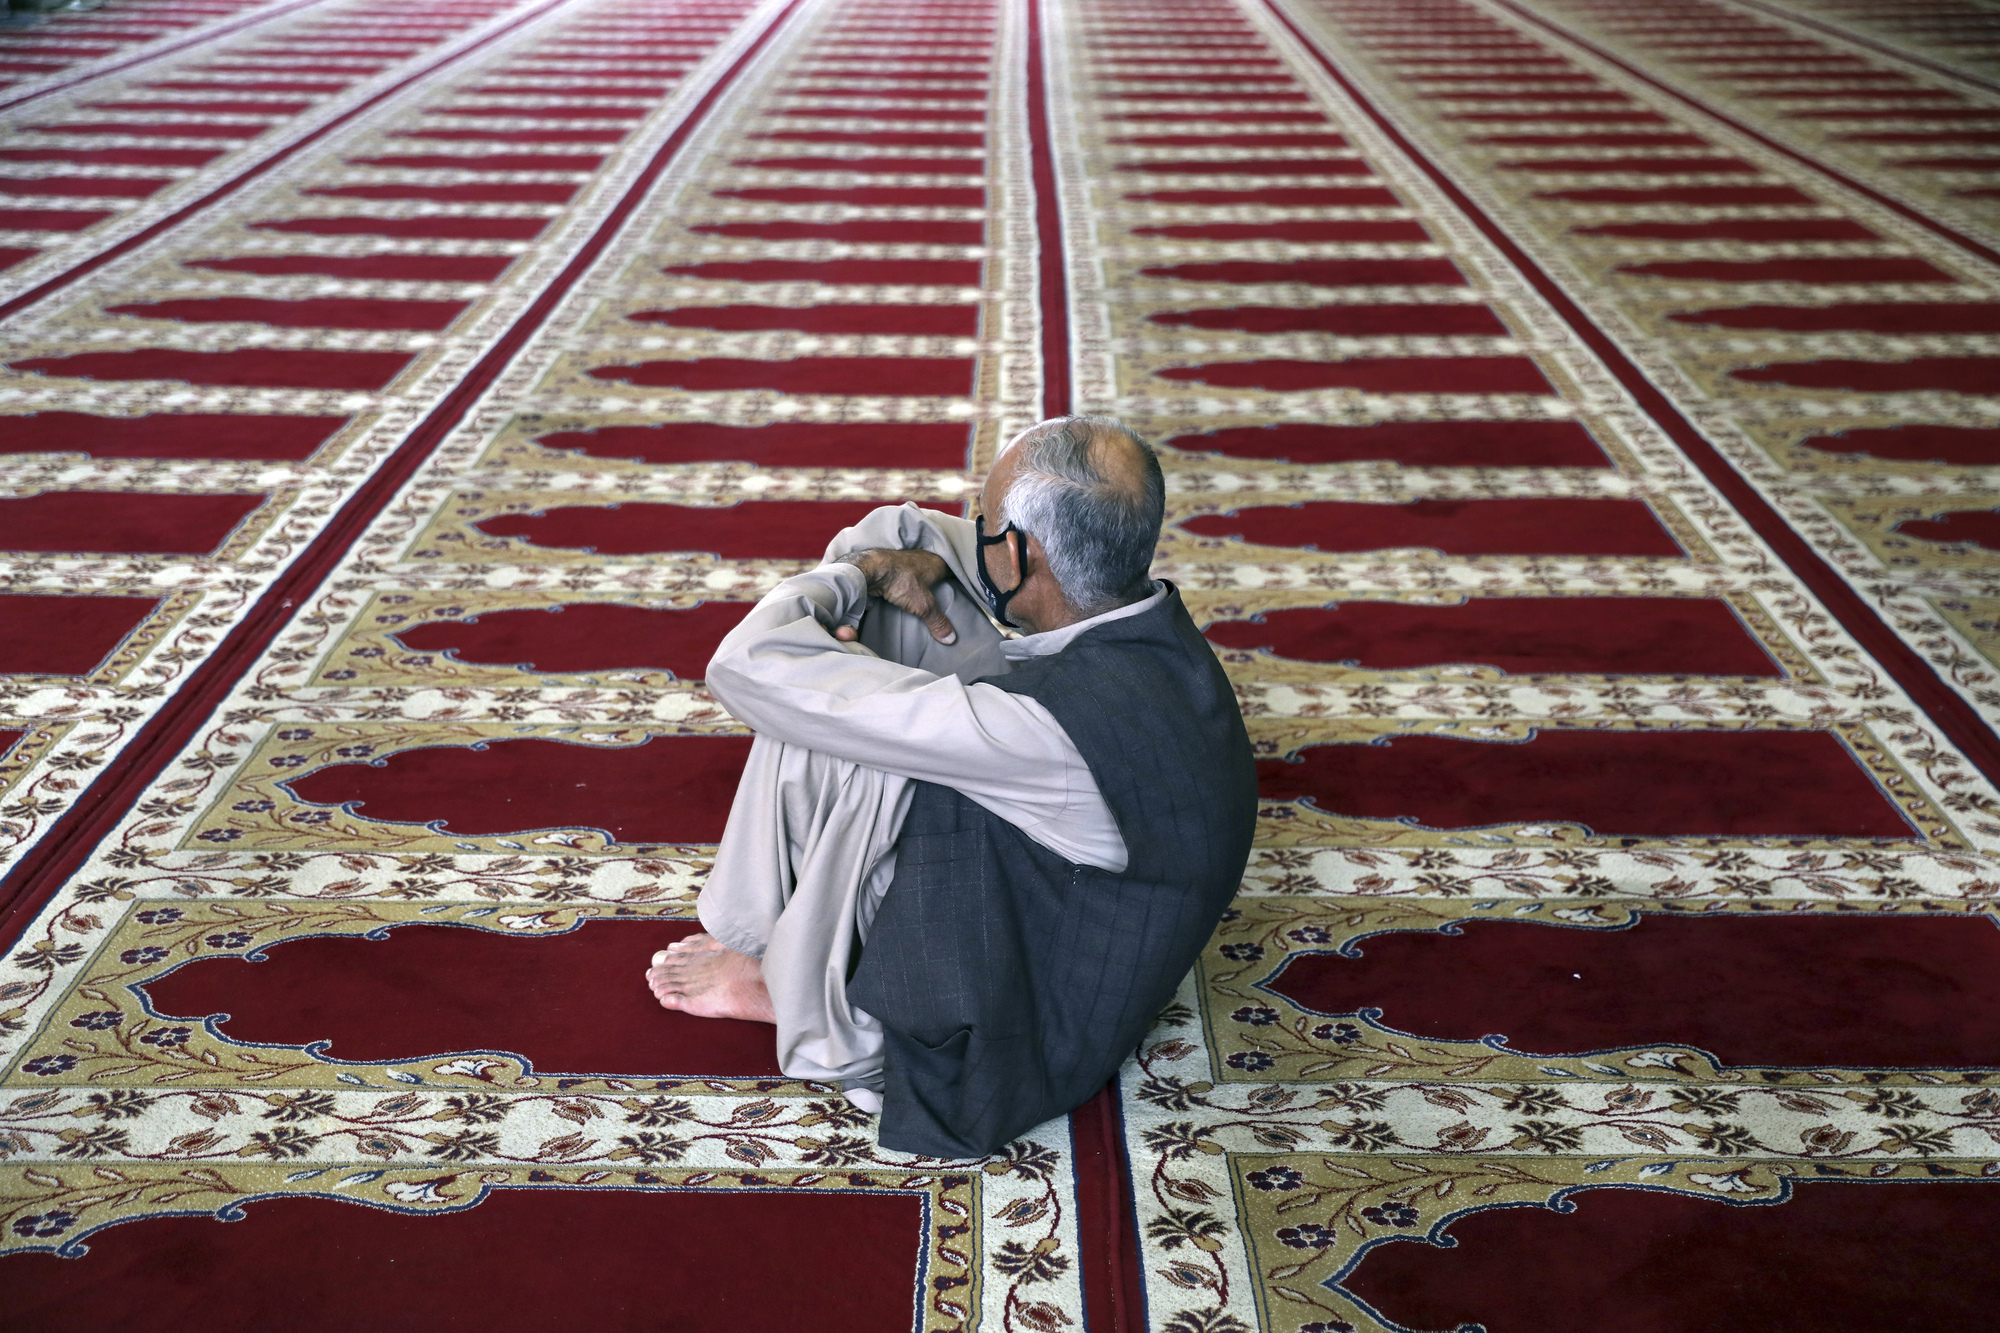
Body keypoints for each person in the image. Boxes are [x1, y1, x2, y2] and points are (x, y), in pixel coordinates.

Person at [643, 414, 1257, 1157]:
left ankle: (791, 982)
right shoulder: (1142, 620)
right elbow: (909, 534)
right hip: (1099, 922)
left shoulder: (1048, 732)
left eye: (986, 524)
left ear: (1022, 554)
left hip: (1016, 1038)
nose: (973, 532)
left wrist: (850, 580)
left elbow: (748, 664)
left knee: (829, 729)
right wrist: (888, 565)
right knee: (894, 591)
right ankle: (771, 945)